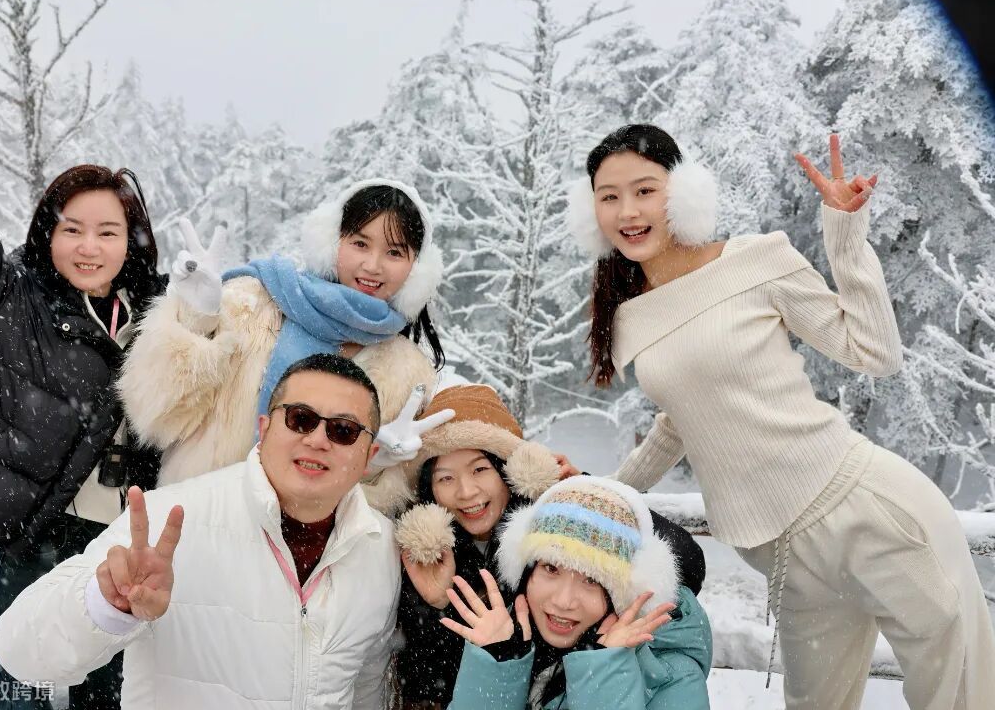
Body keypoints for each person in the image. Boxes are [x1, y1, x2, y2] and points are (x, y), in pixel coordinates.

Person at [569, 123, 995, 709]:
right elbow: (683, 417)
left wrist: (845, 234)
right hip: (782, 557)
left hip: (862, 507)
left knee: (962, 691)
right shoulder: (631, 316)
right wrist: (607, 494)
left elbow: (875, 352)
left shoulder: (755, 261)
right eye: (609, 196)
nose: (628, 211)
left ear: (683, 191)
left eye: (645, 190)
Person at [0, 89, 164, 709]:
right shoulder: (0, 299)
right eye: (71, 229)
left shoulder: (162, 322)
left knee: (109, 695)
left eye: (107, 232)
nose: (89, 247)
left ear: (131, 242)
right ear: (46, 234)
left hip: (119, 547)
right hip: (27, 543)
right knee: (20, 691)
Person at [0, 353, 402, 709]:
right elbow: (21, 653)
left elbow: (365, 689)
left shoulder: (380, 547)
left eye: (343, 430)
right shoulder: (170, 521)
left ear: (369, 456)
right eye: (300, 419)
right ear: (264, 428)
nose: (317, 440)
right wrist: (106, 604)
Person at [117, 179, 450, 516]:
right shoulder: (253, 305)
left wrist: (373, 465)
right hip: (202, 518)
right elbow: (157, 415)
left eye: (394, 252)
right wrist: (196, 320)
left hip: (305, 544)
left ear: (417, 270)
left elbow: (366, 515)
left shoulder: (406, 373)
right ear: (331, 242)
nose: (373, 265)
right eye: (360, 243)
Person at [393, 383, 706, 709]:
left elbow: (686, 562)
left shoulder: (550, 521)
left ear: (511, 470)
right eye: (445, 477)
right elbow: (438, 682)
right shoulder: (431, 558)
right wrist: (439, 606)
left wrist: (586, 491)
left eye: (480, 469)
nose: (466, 491)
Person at [442, 475, 712, 709]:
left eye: (592, 580)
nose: (563, 601)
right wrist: (498, 665)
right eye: (550, 568)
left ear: (625, 593)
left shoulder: (674, 676)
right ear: (525, 572)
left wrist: (606, 669)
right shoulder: (509, 637)